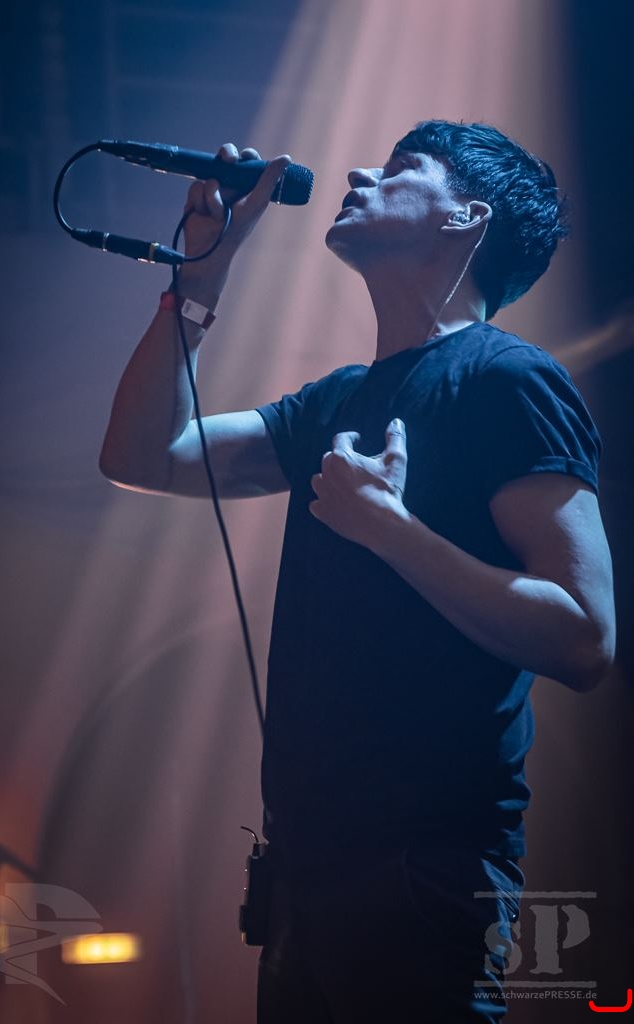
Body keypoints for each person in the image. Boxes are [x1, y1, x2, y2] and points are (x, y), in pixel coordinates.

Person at [99, 121, 616, 1022]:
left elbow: (583, 635)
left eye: (403, 166)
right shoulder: (332, 401)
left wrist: (389, 529)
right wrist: (201, 275)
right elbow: (142, 456)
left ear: (466, 216)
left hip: (423, 868)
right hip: (303, 872)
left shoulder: (506, 379)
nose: (357, 171)